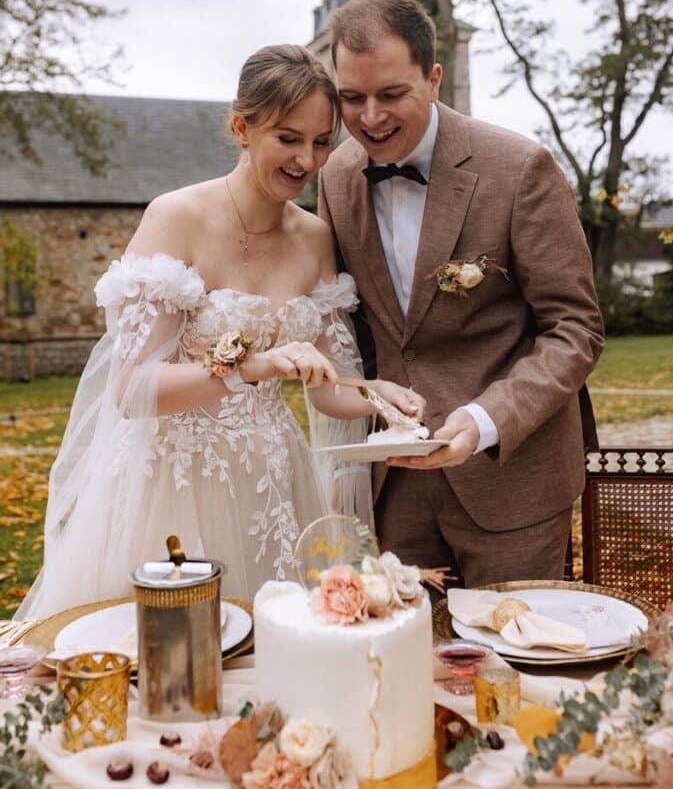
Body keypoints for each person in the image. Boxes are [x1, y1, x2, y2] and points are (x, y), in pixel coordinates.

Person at [17, 44, 422, 620]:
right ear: (242, 127)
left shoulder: (314, 238)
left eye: (321, 142)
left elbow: (326, 386)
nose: (306, 161)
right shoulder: (175, 219)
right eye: (288, 138)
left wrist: (376, 394)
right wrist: (249, 368)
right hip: (175, 484)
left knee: (282, 645)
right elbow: (131, 390)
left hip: (275, 483)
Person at [318, 0, 605, 588]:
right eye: (352, 98)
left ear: (435, 78)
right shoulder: (336, 177)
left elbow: (575, 329)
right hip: (394, 488)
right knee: (403, 667)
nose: (370, 118)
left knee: (518, 668)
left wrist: (485, 419)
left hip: (512, 485)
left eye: (392, 95)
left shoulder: (520, 168)